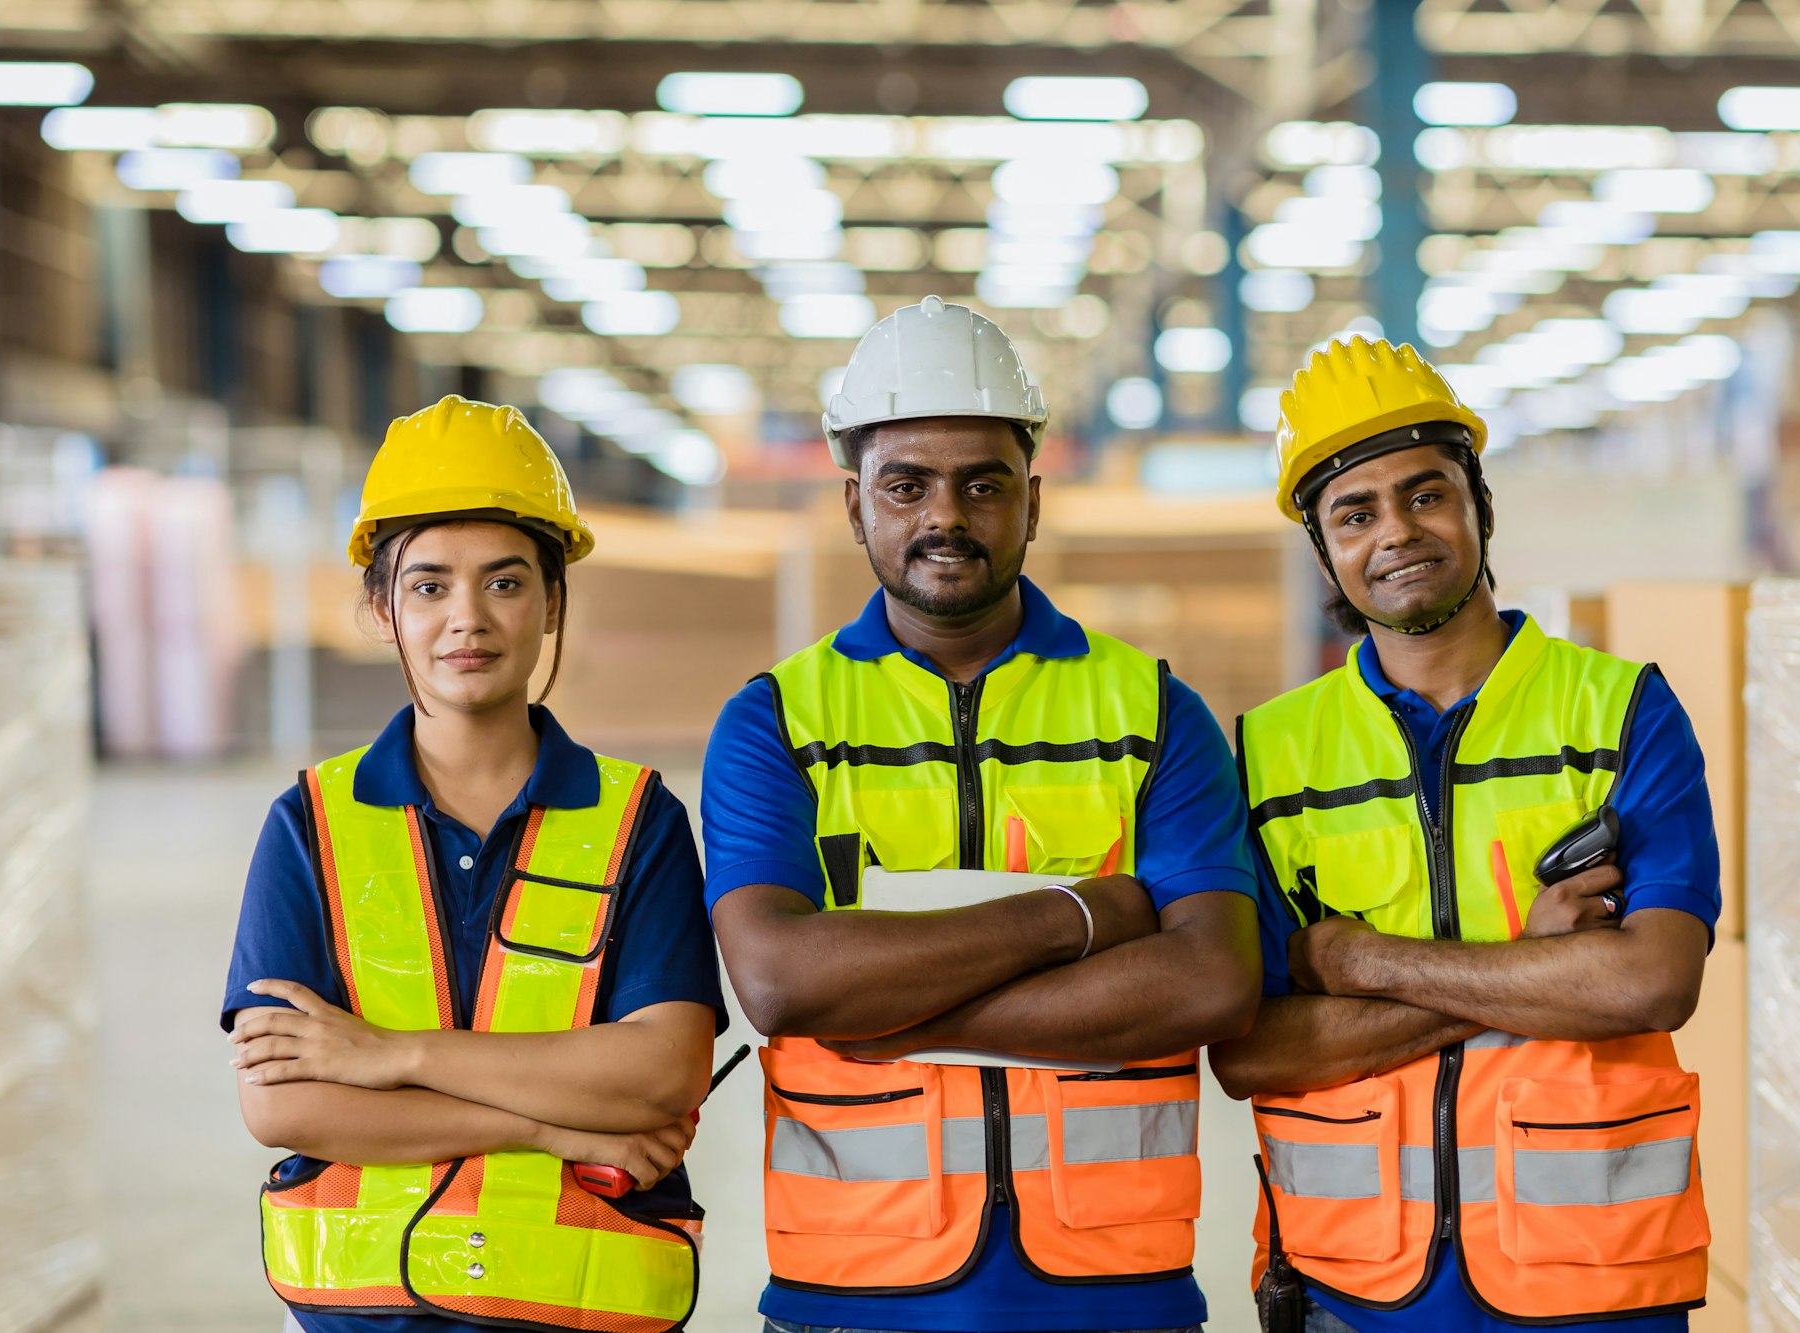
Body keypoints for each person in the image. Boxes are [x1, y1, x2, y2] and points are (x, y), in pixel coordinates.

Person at [700, 295, 1262, 1333]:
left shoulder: (1152, 710)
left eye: (981, 484)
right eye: (905, 485)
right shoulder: (774, 721)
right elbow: (781, 980)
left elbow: (1214, 981)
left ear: (1032, 502)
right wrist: (1078, 916)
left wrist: (891, 1012)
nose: (943, 517)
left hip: (1113, 1293)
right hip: (852, 1294)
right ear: (852, 502)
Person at [1209, 337, 1721, 1332]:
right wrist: (1531, 964)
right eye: (1353, 513)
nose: (1395, 532)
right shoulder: (1268, 752)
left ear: (1477, 505)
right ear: (1323, 550)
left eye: (1424, 493)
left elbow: (1648, 981)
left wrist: (1358, 957)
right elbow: (1253, 1052)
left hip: (1592, 1283)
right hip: (1349, 1290)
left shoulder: (1619, 709)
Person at [222, 395, 726, 1332]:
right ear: (381, 608)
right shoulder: (311, 823)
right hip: (359, 1311)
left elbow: (662, 1074)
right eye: (429, 586)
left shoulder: (638, 820)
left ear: (551, 601)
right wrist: (548, 1120)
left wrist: (389, 1056)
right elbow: (284, 1102)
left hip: (581, 1305)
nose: (468, 619)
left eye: (504, 582)